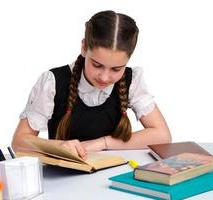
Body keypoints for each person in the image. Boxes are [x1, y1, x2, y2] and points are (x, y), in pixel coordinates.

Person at [11, 10, 171, 160]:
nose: (105, 77)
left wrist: (102, 143)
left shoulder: (131, 80)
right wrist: (59, 145)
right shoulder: (53, 81)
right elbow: (19, 142)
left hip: (112, 175)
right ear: (83, 47)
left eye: (116, 69)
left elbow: (162, 136)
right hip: (63, 182)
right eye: (97, 65)